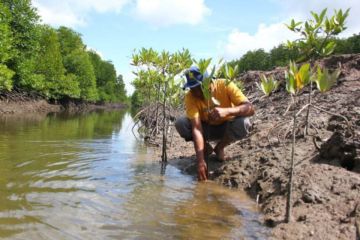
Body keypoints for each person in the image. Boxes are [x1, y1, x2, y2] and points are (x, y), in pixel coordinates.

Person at [175, 66, 255, 181]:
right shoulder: (190, 97)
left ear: (209, 82)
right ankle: (206, 148)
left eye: (199, 87)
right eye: (192, 89)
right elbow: (196, 128)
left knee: (244, 123)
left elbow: (250, 108)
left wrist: (227, 111)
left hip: (226, 128)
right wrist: (201, 161)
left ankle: (220, 147)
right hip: (205, 130)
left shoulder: (225, 85)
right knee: (181, 123)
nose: (196, 92)